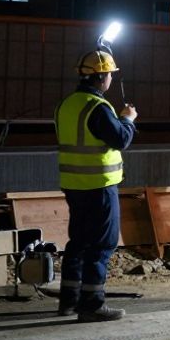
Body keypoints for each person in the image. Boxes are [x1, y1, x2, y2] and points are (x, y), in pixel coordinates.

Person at [55, 49, 137, 322]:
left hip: (74, 185)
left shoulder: (66, 105)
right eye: (110, 75)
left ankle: (69, 301)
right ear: (101, 77)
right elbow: (120, 139)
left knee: (78, 242)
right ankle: (92, 303)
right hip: (100, 185)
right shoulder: (97, 107)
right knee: (102, 244)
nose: (112, 79)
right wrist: (127, 119)